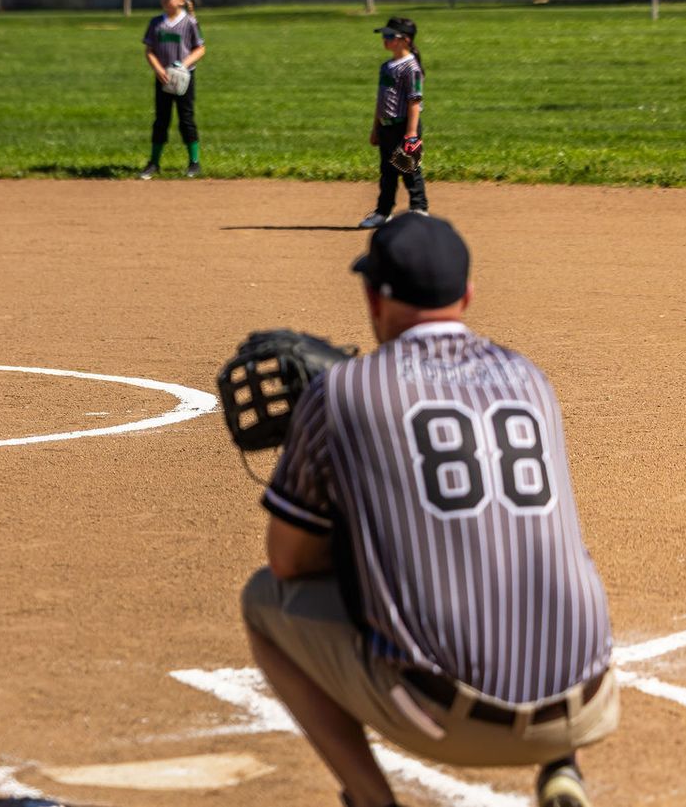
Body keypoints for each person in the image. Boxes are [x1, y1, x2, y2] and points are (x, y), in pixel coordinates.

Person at [244, 213, 617, 807]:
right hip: (589, 703)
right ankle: (561, 769)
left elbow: (288, 562)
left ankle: (372, 800)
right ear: (468, 295)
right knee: (520, 547)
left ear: (372, 297)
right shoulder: (529, 380)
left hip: (442, 718)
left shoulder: (344, 392)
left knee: (263, 602)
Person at [360, 16, 426, 229]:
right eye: (384, 36)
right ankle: (383, 212)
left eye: (390, 36)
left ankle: (419, 210)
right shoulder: (386, 66)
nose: (385, 40)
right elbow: (380, 101)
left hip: (405, 125)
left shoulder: (411, 68)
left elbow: (414, 100)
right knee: (387, 173)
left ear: (405, 40)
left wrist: (411, 132)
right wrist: (375, 128)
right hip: (386, 126)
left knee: (410, 171)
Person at [138, 0, 206, 179]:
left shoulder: (190, 23)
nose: (164, 0)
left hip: (184, 77)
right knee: (161, 119)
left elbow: (200, 48)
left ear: (181, 0)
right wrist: (159, 69)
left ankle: (194, 163)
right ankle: (154, 162)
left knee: (186, 119)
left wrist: (183, 65)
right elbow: (149, 50)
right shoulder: (156, 23)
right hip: (163, 77)